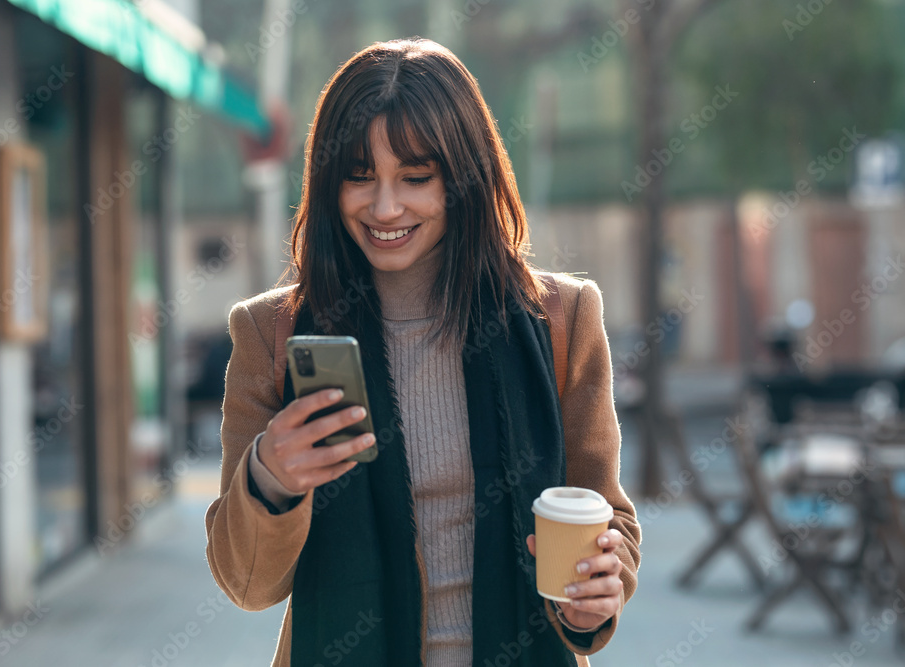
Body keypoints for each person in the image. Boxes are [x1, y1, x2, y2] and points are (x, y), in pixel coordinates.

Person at [205, 38, 641, 667]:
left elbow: (608, 521)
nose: (385, 207)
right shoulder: (271, 335)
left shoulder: (560, 321)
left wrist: (599, 592)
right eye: (359, 177)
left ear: (464, 180)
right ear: (328, 183)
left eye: (415, 178)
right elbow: (248, 586)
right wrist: (271, 478)